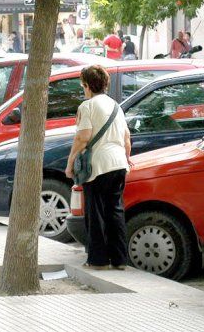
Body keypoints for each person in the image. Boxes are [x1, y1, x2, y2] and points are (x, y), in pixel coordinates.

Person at [65, 65, 133, 270]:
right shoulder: (116, 106)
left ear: (87, 85)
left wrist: (70, 165)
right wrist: (127, 158)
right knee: (115, 211)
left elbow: (82, 138)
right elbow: (127, 138)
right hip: (119, 163)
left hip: (98, 165)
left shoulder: (87, 106)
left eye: (82, 85)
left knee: (95, 213)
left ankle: (98, 260)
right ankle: (120, 260)